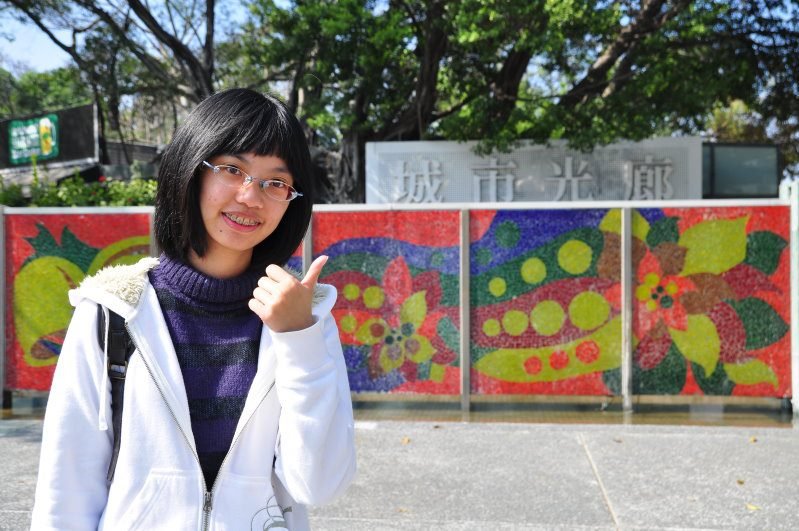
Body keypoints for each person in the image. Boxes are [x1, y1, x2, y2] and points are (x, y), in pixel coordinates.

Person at [30, 88, 356, 530]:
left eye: (275, 182)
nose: (250, 196)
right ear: (190, 170)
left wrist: (299, 339)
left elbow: (318, 485)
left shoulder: (304, 317)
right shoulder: (113, 311)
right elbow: (65, 490)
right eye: (232, 168)